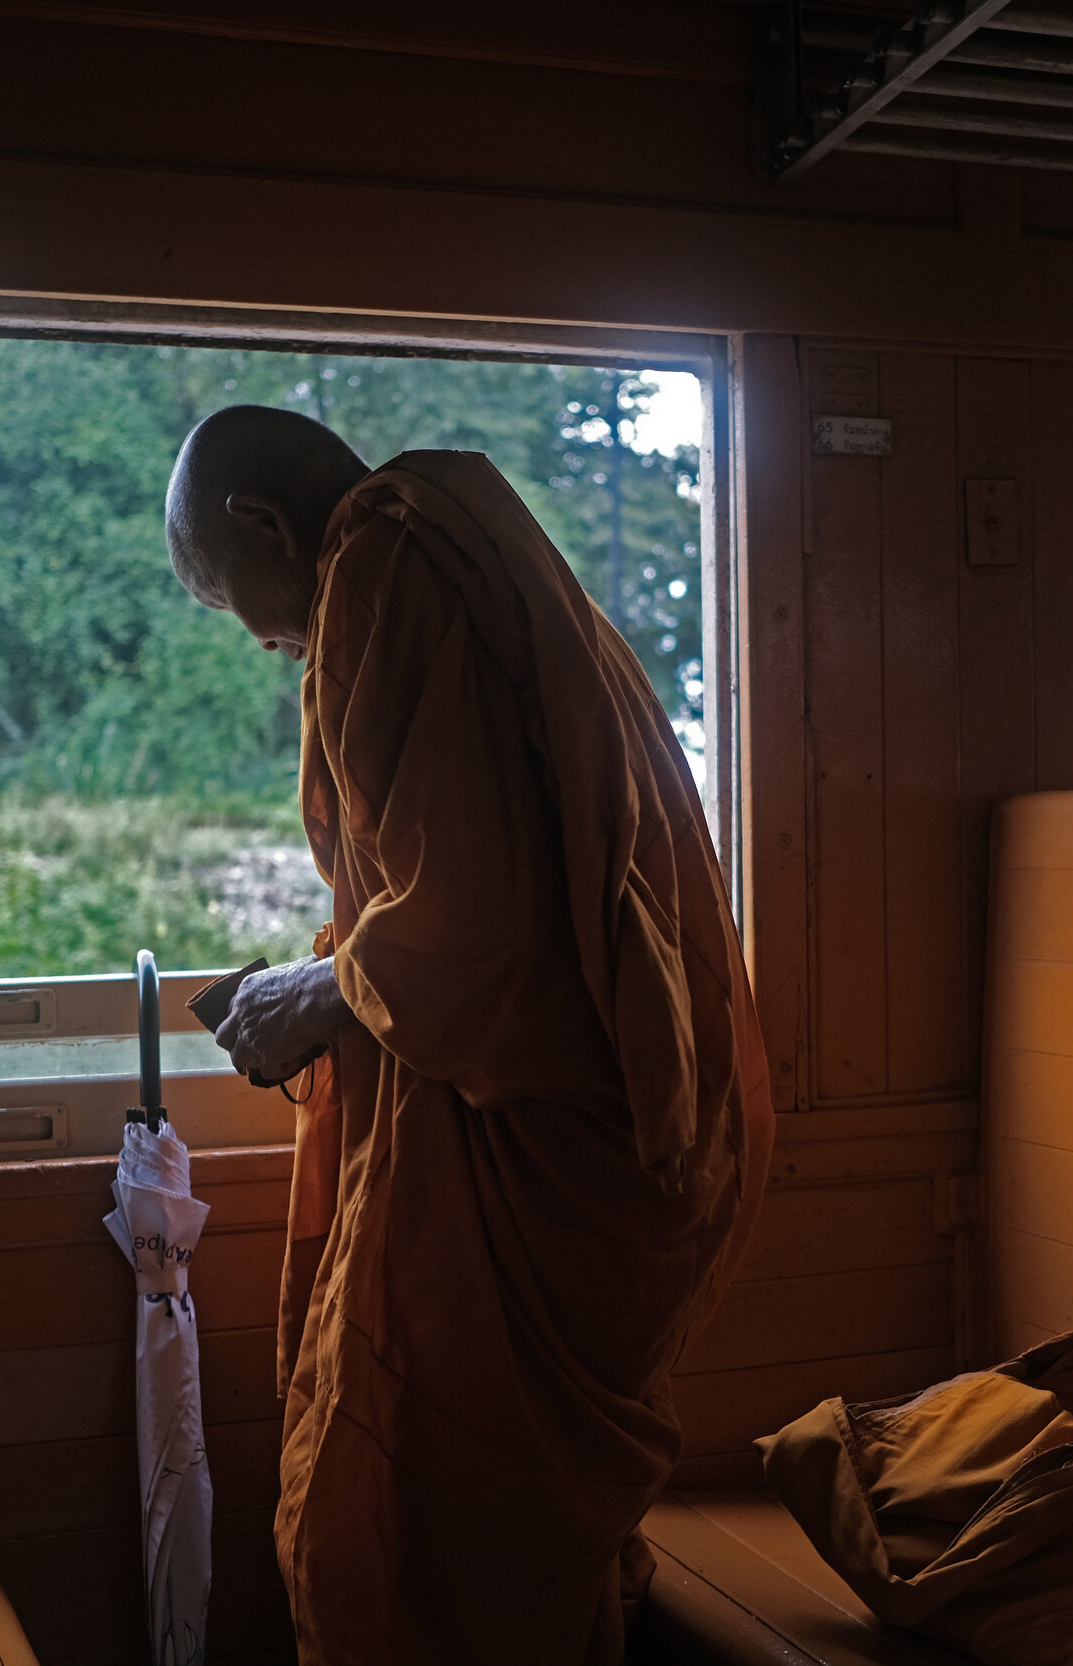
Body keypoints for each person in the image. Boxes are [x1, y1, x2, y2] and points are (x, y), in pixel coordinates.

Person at [163, 405, 774, 1665]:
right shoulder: (463, 554)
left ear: (265, 527)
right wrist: (327, 977)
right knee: (465, 1537)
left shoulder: (389, 560)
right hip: (595, 1127)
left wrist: (320, 996)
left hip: (547, 1140)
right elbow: (484, 883)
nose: (279, 646)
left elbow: (474, 923)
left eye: (248, 613)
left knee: (409, 1543)